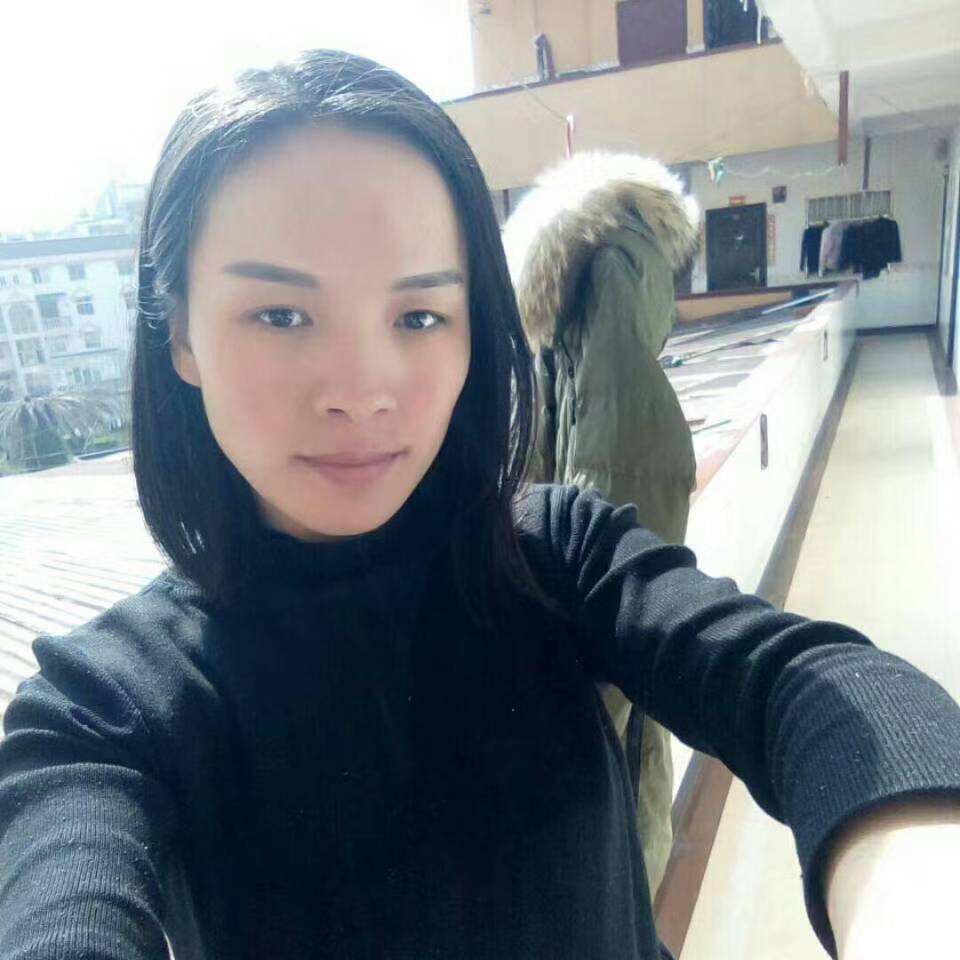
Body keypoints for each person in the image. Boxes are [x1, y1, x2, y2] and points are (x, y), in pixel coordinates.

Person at [0, 49, 959, 960]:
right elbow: (62, 900)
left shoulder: (554, 556)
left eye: (419, 315)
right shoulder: (105, 707)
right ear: (180, 336)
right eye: (281, 315)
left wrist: (911, 903)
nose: (361, 390)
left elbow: (802, 682)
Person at [501, 152, 700, 902]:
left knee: (614, 825)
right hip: (594, 653)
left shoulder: (600, 268)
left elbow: (623, 476)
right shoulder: (617, 264)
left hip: (594, 663)